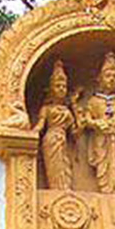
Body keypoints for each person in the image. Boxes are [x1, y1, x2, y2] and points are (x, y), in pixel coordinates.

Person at [79, 52, 115, 194]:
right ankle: (105, 190)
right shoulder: (94, 101)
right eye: (108, 76)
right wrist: (96, 123)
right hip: (101, 139)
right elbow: (86, 119)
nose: (111, 79)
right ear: (100, 79)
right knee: (103, 167)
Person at [32, 60, 77, 190]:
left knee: (65, 167)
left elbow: (74, 132)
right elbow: (40, 126)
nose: (62, 89)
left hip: (63, 140)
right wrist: (30, 134)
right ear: (51, 89)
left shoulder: (67, 111)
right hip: (51, 139)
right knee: (54, 168)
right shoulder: (46, 109)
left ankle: (64, 189)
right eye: (58, 86)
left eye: (64, 86)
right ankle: (56, 189)